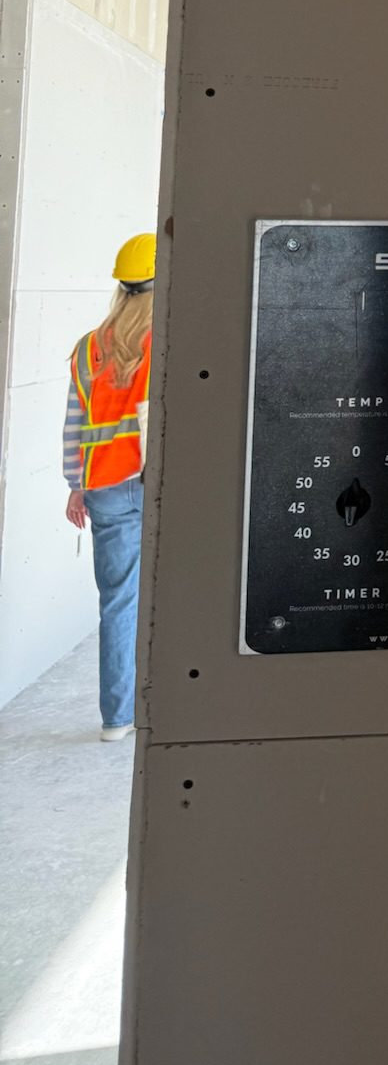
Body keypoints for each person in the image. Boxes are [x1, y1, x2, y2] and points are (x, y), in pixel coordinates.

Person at [63, 233, 156, 740]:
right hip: (159, 486)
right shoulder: (167, 339)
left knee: (118, 604)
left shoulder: (88, 348)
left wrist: (75, 486)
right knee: (183, 597)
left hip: (105, 488)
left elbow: (74, 424)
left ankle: (117, 720)